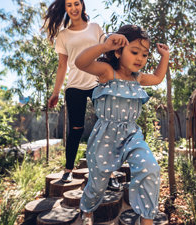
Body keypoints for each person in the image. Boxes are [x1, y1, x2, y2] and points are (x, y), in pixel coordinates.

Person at [75, 25, 169, 225]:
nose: (140, 59)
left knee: (150, 167)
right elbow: (80, 62)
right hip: (105, 137)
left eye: (144, 55)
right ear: (118, 52)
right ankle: (87, 209)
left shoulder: (138, 78)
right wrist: (104, 46)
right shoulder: (108, 72)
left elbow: (159, 78)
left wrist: (165, 56)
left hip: (131, 135)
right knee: (98, 185)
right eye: (134, 52)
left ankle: (146, 220)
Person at [43, 0, 120, 190]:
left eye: (76, 3)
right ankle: (68, 171)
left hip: (98, 84)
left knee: (106, 127)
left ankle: (109, 173)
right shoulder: (63, 35)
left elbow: (108, 48)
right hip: (74, 87)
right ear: (66, 9)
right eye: (69, 5)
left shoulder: (95, 28)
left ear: (82, 6)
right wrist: (56, 92)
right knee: (76, 129)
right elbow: (62, 66)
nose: (73, 8)